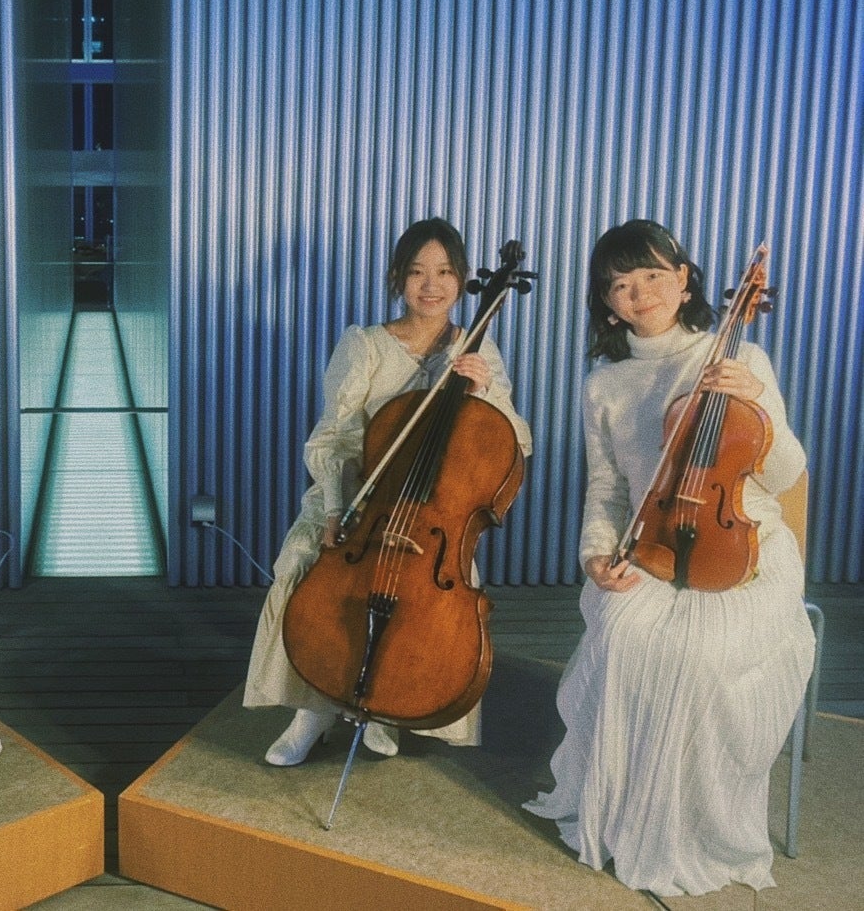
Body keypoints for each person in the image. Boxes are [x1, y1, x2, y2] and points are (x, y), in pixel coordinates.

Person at [524, 220, 815, 897]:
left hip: (746, 548)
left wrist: (756, 401)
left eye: (653, 275)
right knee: (623, 635)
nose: (640, 293)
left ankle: (689, 827)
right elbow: (608, 488)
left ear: (684, 281)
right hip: (652, 543)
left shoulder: (740, 357)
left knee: (700, 657)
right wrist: (597, 554)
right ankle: (624, 816)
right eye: (620, 285)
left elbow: (784, 474)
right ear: (606, 304)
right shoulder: (604, 384)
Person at [244, 218, 533, 765]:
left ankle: (386, 707)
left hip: (433, 515)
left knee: (430, 601)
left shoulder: (478, 349)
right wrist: (336, 509)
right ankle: (312, 713)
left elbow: (514, 442)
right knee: (306, 566)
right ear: (398, 278)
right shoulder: (365, 345)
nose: (431, 285)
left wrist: (485, 391)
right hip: (361, 499)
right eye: (418, 272)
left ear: (463, 280)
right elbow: (334, 437)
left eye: (444, 272)